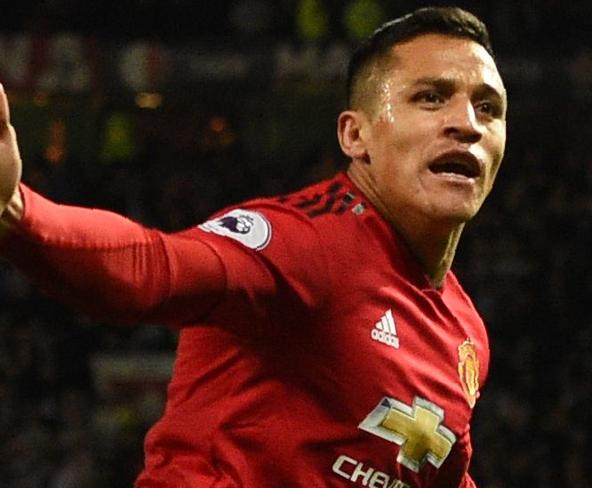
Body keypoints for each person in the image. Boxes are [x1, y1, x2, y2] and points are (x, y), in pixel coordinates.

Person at [0, 6, 507, 488]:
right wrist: (16, 211)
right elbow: (152, 267)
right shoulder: (306, 242)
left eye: (488, 107)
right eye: (431, 98)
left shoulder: (465, 334)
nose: (467, 123)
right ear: (357, 135)